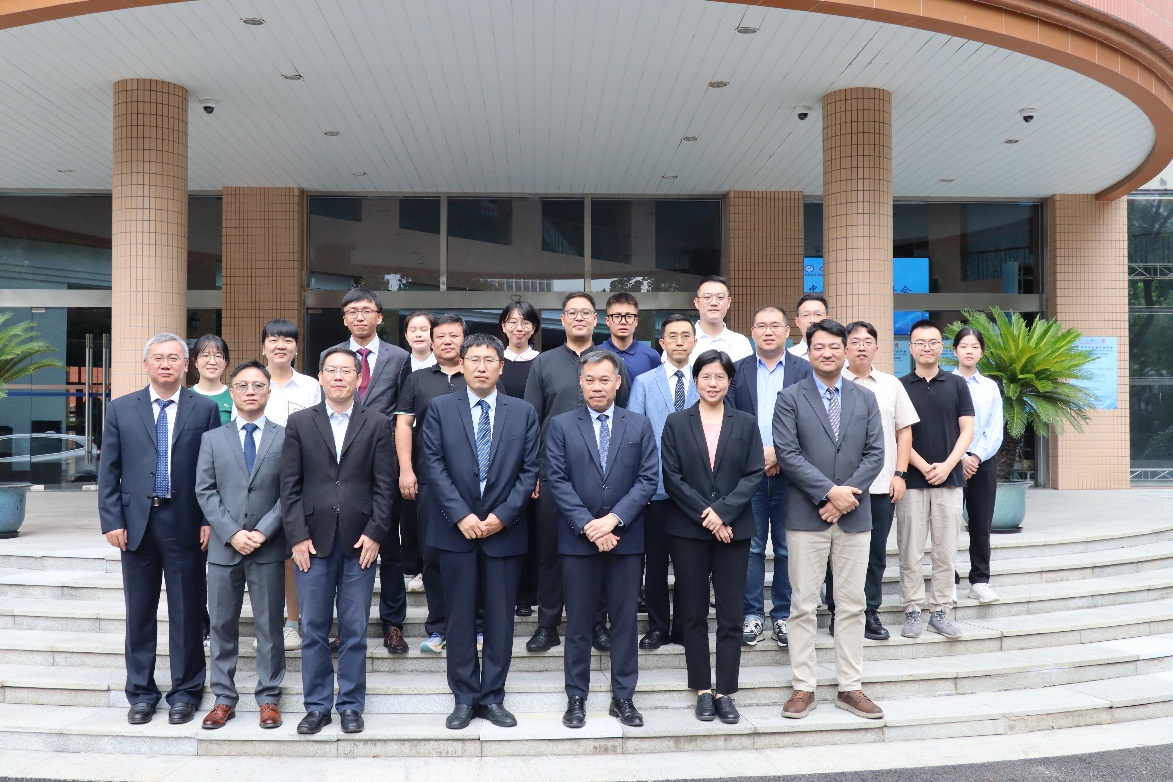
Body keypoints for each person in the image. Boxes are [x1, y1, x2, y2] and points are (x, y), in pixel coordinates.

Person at [98, 333, 221, 726]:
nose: (165, 364)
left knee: (187, 611)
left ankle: (186, 692)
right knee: (139, 612)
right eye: (158, 358)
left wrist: (208, 519)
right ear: (146, 364)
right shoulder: (121, 409)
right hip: (136, 524)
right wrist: (112, 520)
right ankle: (141, 693)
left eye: (173, 358)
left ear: (186, 365)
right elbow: (109, 470)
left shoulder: (204, 409)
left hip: (185, 521)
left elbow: (212, 470)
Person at [421, 334, 539, 730]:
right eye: (474, 359)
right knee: (458, 617)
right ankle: (464, 697)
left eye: (490, 360)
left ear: (501, 367)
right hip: (455, 531)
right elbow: (433, 464)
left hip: (504, 532)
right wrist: (461, 515)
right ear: (462, 364)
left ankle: (492, 697)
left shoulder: (522, 412)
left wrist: (502, 516)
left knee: (501, 621)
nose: (482, 367)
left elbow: (529, 471)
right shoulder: (440, 408)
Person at [773, 319, 885, 721]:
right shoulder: (790, 398)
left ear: (846, 351)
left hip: (854, 516)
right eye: (819, 347)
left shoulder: (865, 398)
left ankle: (850, 686)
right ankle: (803, 687)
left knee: (852, 605)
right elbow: (787, 454)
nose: (827, 353)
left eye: (835, 346)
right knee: (803, 605)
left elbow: (876, 454)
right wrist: (828, 493)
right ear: (808, 352)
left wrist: (843, 498)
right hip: (807, 516)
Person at [280, 346, 395, 736]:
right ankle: (316, 706)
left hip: (360, 541)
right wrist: (296, 536)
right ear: (321, 376)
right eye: (332, 370)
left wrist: (376, 533)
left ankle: (350, 705)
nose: (339, 377)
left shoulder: (377, 423)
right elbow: (289, 486)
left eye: (347, 371)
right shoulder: (300, 422)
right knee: (313, 628)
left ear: (358, 378)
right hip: (311, 542)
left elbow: (385, 486)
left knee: (354, 629)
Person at [545, 350, 659, 729]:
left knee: (624, 622)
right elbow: (557, 480)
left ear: (618, 382)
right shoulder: (561, 425)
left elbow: (647, 479)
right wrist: (589, 526)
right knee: (578, 624)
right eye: (590, 379)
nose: (597, 386)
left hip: (626, 541)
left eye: (604, 379)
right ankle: (576, 697)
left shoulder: (639, 424)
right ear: (581, 383)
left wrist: (612, 521)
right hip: (578, 542)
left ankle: (623, 697)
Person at [523, 292, 631, 654]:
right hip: (553, 473)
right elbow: (531, 421)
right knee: (551, 551)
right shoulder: (544, 362)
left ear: (596, 319)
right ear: (563, 319)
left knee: (597, 547)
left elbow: (624, 415)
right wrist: (535, 472)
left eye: (586, 312)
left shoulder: (612, 362)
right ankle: (547, 624)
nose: (579, 318)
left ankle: (596, 623)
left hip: (602, 474)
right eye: (573, 313)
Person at [662, 350, 764, 724]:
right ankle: (703, 689)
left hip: (733, 531)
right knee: (692, 613)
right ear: (695, 380)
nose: (712, 383)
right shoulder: (676, 422)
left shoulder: (746, 423)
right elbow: (672, 477)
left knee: (731, 614)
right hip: (688, 530)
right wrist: (710, 516)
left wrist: (723, 513)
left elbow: (753, 474)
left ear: (729, 381)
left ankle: (726, 691)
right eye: (706, 376)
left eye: (720, 376)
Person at [194, 360, 286, 730]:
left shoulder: (285, 437)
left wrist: (263, 532)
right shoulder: (213, 439)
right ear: (232, 393)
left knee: (270, 627)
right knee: (222, 626)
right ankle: (223, 698)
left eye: (258, 385)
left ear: (269, 392)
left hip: (268, 547)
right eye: (243, 385)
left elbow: (290, 492)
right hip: (224, 548)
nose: (250, 391)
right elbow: (205, 490)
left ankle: (269, 698)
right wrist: (232, 533)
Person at [322, 288, 410, 655]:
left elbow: (404, 412)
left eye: (367, 310)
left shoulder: (399, 357)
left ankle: (393, 623)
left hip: (383, 462)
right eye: (353, 311)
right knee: (343, 545)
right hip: (340, 466)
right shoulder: (331, 357)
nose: (360, 317)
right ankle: (347, 626)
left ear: (379, 316)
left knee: (388, 545)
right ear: (344, 318)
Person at [825, 322, 919, 641]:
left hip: (880, 486)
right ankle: (838, 612)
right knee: (838, 553)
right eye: (855, 342)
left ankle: (869, 611)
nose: (862, 347)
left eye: (868, 342)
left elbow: (904, 431)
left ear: (877, 349)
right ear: (845, 348)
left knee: (875, 553)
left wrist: (900, 474)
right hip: (841, 487)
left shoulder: (891, 385)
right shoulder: (833, 383)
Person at [728, 306, 811, 648]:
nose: (768, 331)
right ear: (752, 332)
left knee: (787, 547)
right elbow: (729, 419)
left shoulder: (805, 370)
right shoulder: (737, 370)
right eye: (761, 325)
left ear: (788, 331)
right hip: (749, 473)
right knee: (751, 546)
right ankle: (752, 614)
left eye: (775, 325)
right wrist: (757, 457)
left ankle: (782, 615)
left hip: (792, 474)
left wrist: (779, 453)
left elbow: (812, 420)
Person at [897, 319, 975, 640]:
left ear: (942, 347)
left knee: (945, 551)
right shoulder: (899, 386)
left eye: (932, 342)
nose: (926, 348)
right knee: (910, 550)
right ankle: (912, 609)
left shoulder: (957, 384)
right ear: (910, 347)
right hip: (911, 482)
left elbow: (967, 430)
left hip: (950, 480)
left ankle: (940, 610)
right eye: (920, 342)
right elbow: (898, 433)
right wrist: (922, 465)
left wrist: (947, 465)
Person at [394, 314, 467, 653]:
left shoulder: (478, 376)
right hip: (428, 481)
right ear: (432, 342)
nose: (447, 341)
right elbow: (403, 426)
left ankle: (475, 624)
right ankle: (438, 627)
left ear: (464, 340)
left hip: (473, 484)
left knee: (473, 556)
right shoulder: (417, 379)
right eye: (441, 337)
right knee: (432, 555)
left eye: (454, 335)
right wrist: (406, 470)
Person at [627, 314, 698, 650]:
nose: (679, 341)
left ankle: (683, 627)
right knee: (654, 562)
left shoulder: (705, 379)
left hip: (695, 490)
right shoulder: (644, 382)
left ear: (694, 341)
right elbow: (633, 435)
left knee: (690, 563)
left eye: (686, 335)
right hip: (654, 488)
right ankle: (657, 626)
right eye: (673, 336)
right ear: (662, 343)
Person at [260, 318, 322, 652]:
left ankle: (292, 623)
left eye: (287, 340)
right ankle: (266, 625)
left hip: (301, 478)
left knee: (292, 552)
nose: (280, 345)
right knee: (263, 555)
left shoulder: (311, 386)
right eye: (273, 339)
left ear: (297, 347)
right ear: (264, 347)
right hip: (258, 477)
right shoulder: (254, 381)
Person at [953, 326, 1004, 604]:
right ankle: (948, 580)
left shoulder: (990, 387)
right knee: (947, 523)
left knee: (981, 523)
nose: (969, 351)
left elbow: (995, 428)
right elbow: (944, 426)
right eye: (964, 346)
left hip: (981, 462)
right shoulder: (946, 382)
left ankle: (980, 580)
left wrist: (975, 457)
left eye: (974, 347)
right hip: (950, 462)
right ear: (955, 351)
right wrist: (960, 456)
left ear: (982, 352)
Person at [497, 300, 541, 615]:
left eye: (525, 322)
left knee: (531, 527)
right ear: (503, 326)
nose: (518, 327)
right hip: (498, 455)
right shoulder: (492, 362)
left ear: (534, 327)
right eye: (512, 321)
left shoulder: (542, 363)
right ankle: (503, 592)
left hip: (529, 453)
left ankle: (527, 595)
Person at [400, 310, 437, 591]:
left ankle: (429, 567)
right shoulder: (400, 365)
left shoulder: (447, 366)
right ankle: (411, 565)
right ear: (406, 335)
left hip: (432, 442)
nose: (419, 334)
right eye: (413, 329)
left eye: (424, 329)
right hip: (405, 440)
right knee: (408, 505)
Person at [686, 275, 753, 365]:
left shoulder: (741, 343)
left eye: (720, 297)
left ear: (728, 302)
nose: (714, 303)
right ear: (696, 302)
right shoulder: (683, 341)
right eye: (707, 297)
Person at [600, 292, 660, 379]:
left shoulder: (652, 356)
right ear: (607, 321)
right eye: (617, 316)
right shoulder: (595, 354)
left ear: (636, 321)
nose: (623, 322)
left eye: (629, 316)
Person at [190, 334, 233, 425]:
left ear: (225, 362)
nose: (212, 362)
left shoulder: (234, 397)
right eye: (205, 355)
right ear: (195, 362)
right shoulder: (185, 396)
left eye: (218, 356)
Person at [787, 293, 829, 360]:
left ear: (827, 320)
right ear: (797, 322)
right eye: (806, 315)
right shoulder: (788, 356)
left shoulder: (841, 355)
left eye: (818, 314)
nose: (812, 320)